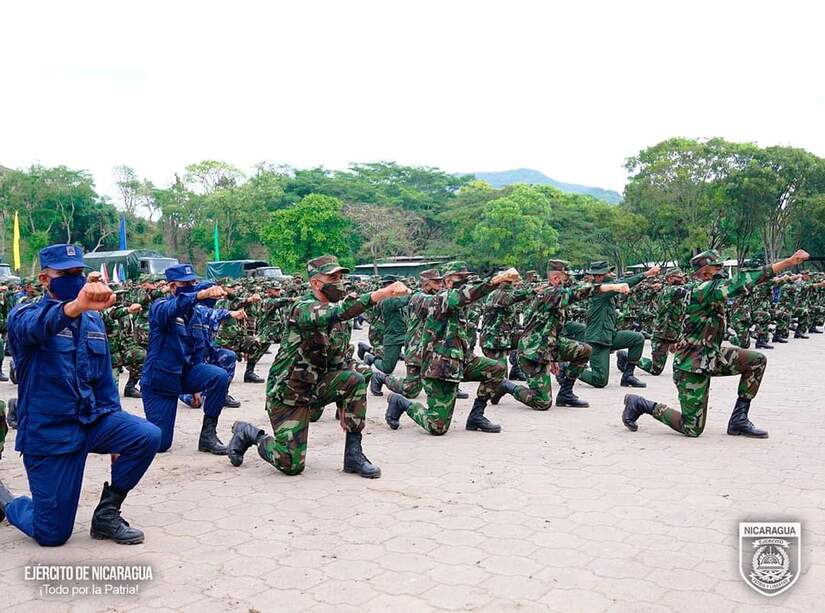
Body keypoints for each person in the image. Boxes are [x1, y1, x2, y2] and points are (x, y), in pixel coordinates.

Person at [0, 244, 161, 546]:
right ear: (45, 279)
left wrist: (117, 429)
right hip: (51, 434)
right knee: (52, 535)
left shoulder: (93, 319)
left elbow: (102, 380)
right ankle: (8, 502)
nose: (74, 279)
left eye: (78, 272)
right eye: (66, 274)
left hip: (91, 421)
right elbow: (39, 327)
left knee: (147, 435)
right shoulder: (24, 314)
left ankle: (107, 514)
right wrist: (74, 307)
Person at [227, 255, 410, 478]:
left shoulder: (340, 321)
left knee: (355, 379)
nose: (340, 282)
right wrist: (381, 293)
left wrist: (346, 405)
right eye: (332, 277)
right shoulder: (302, 308)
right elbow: (338, 311)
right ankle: (250, 434)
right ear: (315, 283)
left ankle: (353, 455)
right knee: (291, 465)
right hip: (288, 393)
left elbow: (340, 361)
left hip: (314, 387)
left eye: (341, 276)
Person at [622, 249, 810, 438]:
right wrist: (787, 262)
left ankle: (739, 420)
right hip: (691, 365)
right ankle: (641, 404)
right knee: (692, 428)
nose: (721, 270)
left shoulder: (704, 289)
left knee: (756, 360)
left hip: (711, 356)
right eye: (717, 267)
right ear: (704, 272)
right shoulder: (701, 290)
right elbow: (741, 281)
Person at [384, 263, 519, 435]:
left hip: (461, 361)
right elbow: (465, 295)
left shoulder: (456, 303)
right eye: (460, 278)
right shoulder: (435, 299)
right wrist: (494, 281)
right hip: (439, 368)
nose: (466, 281)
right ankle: (401, 402)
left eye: (467, 278)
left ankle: (476, 416)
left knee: (497, 368)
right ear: (448, 282)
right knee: (437, 427)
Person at [495, 259, 629, 410]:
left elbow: (549, 330)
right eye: (566, 278)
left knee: (584, 350)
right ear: (555, 278)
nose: (569, 281)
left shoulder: (555, 293)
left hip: (547, 346)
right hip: (531, 353)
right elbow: (578, 293)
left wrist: (553, 357)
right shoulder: (550, 293)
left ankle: (566, 393)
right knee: (542, 403)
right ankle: (506, 386)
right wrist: (613, 287)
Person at [140, 264, 232, 454]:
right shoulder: (160, 307)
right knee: (160, 444)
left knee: (219, 376)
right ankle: (128, 431)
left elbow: (199, 349)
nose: (191, 286)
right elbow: (176, 306)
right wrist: (199, 295)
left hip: (184, 374)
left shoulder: (196, 314)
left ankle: (208, 436)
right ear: (173, 287)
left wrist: (197, 386)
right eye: (185, 284)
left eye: (193, 282)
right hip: (160, 382)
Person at [575, 261, 660, 389]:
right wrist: (647, 274)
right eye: (608, 272)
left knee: (637, 338)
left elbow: (622, 281)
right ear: (598, 276)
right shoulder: (599, 291)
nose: (612, 274)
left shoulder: (608, 287)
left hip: (609, 335)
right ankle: (568, 369)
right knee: (600, 381)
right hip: (598, 340)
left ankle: (628, 376)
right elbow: (621, 283)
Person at [383, 269, 444, 399]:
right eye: (436, 282)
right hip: (416, 346)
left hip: (431, 346)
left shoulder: (436, 296)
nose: (440, 285)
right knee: (410, 390)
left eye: (441, 282)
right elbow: (436, 302)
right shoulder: (419, 298)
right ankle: (382, 378)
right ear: (426, 284)